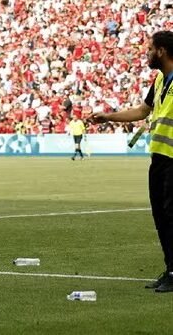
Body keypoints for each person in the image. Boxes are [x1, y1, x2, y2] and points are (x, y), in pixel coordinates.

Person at [89, 30, 173, 293]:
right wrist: (108, 116)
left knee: (172, 216)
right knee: (161, 217)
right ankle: (171, 269)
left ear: (161, 50)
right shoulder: (160, 80)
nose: (147, 53)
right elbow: (142, 110)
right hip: (159, 158)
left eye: (150, 48)